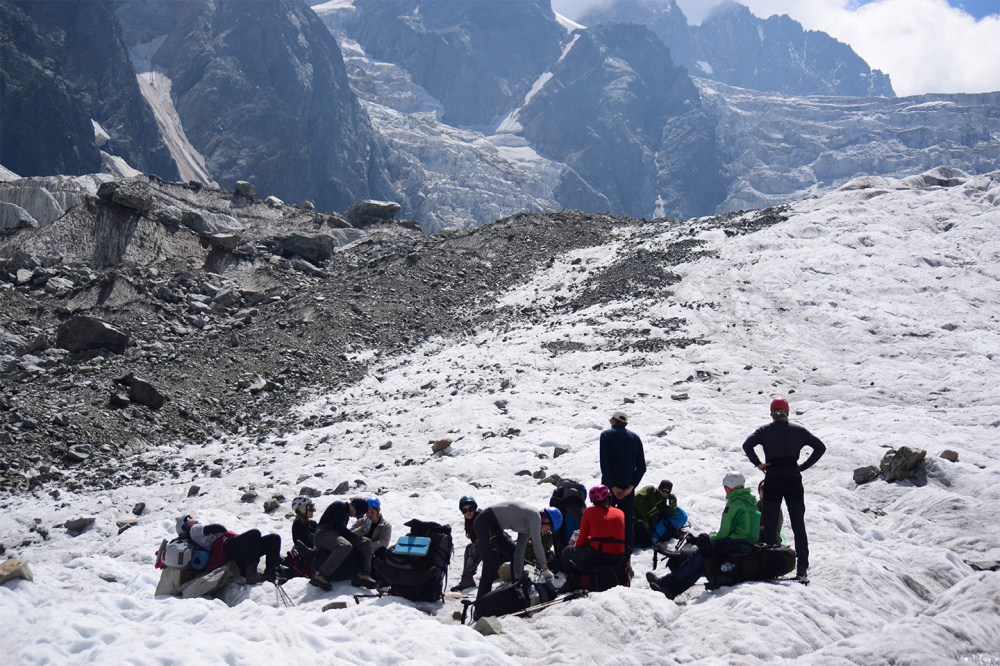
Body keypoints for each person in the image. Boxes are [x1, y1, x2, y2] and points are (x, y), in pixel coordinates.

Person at [742, 397, 826, 581]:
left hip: (773, 479)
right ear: (787, 412)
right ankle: (802, 569)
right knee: (798, 525)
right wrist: (803, 466)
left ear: (772, 413)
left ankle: (771, 568)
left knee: (771, 526)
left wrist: (759, 464)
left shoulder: (765, 430)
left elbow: (747, 445)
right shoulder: (799, 431)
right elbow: (820, 447)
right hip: (793, 480)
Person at [646, 471, 760, 599]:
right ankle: (672, 591)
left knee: (702, 551)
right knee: (705, 560)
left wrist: (705, 539)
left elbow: (723, 533)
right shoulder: (751, 502)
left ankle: (666, 582)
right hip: (747, 546)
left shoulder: (734, 504)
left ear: (729, 488)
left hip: (735, 545)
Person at [473, 500, 560, 601]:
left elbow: (519, 552)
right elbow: (537, 543)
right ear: (546, 519)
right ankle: (481, 602)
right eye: (548, 528)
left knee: (513, 551)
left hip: (494, 527)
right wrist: (546, 570)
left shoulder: (527, 529)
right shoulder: (535, 516)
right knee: (491, 564)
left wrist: (518, 581)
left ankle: (516, 589)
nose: (545, 532)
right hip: (485, 522)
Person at [176, 515, 281, 583]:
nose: (192, 518)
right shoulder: (194, 529)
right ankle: (252, 573)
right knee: (258, 534)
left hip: (230, 549)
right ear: (185, 526)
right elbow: (218, 528)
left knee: (272, 538)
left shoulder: (194, 534)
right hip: (226, 546)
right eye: (188, 519)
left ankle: (270, 572)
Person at [560, 485, 626, 592]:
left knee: (567, 551)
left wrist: (574, 544)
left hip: (598, 556)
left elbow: (581, 542)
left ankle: (572, 582)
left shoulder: (589, 512)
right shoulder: (620, 513)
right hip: (618, 556)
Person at [599, 410, 646, 551]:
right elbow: (642, 467)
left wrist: (613, 487)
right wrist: (630, 487)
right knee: (627, 523)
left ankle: (606, 552)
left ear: (613, 420)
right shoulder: (635, 438)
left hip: (608, 489)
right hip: (628, 489)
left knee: (605, 520)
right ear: (625, 423)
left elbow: (605, 465)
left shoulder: (606, 435)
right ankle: (627, 555)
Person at [311, 498, 378, 591]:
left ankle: (362, 574)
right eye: (358, 514)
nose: (355, 516)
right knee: (345, 545)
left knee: (365, 542)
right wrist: (354, 536)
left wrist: (356, 538)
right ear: (354, 506)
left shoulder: (346, 515)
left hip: (335, 535)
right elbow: (341, 528)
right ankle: (321, 574)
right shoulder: (339, 506)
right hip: (323, 534)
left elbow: (342, 532)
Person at [451, 495, 515, 592]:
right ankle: (467, 579)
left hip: (499, 560)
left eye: (470, 509)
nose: (468, 512)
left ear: (475, 508)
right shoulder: (470, 522)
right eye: (464, 510)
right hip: (493, 560)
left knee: (472, 548)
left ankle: (467, 579)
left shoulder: (482, 519)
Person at [633, 479, 685, 546]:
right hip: (630, 516)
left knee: (648, 541)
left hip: (642, 524)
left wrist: (673, 499)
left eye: (667, 492)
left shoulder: (662, 504)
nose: (665, 493)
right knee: (638, 524)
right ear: (660, 488)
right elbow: (636, 498)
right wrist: (644, 519)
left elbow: (672, 512)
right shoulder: (651, 490)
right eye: (663, 490)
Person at [351, 496, 392, 563]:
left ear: (378, 511)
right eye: (367, 512)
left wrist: (366, 547)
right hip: (358, 551)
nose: (369, 515)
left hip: (372, 553)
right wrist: (359, 530)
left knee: (382, 551)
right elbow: (349, 535)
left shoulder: (386, 525)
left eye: (372, 512)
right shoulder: (361, 521)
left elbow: (384, 542)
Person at [756, 479, 785, 545]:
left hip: (772, 538)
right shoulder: (756, 506)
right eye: (762, 488)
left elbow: (775, 528)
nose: (765, 491)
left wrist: (761, 528)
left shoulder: (776, 508)